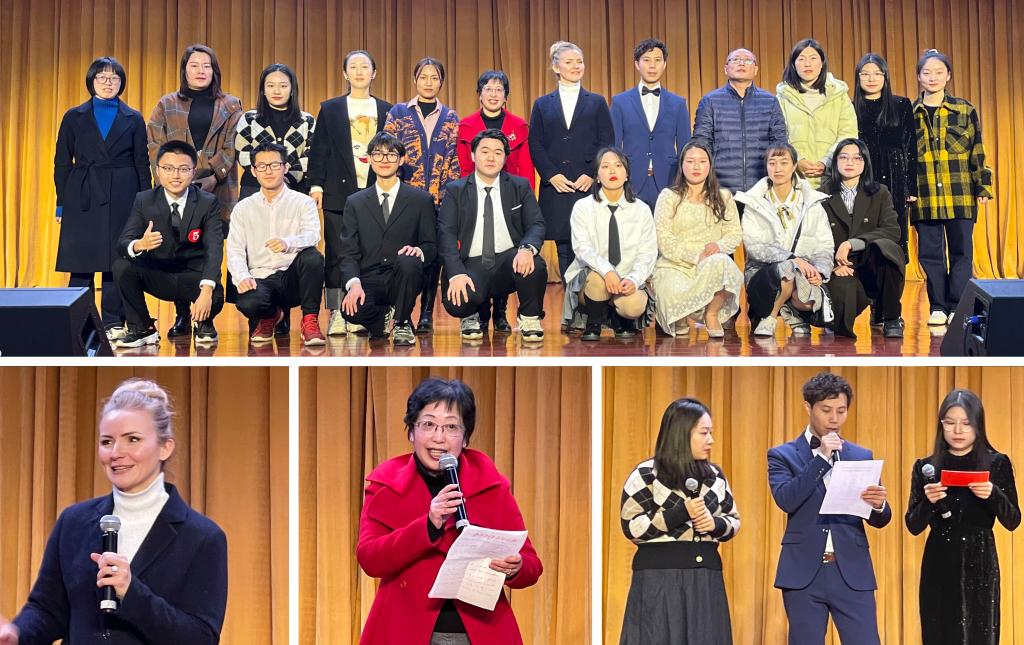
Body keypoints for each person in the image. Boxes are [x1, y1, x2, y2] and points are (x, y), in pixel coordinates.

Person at [0, 379, 227, 645]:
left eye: (133, 439)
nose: (116, 453)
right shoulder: (73, 522)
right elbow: (47, 611)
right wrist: (16, 635)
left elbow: (201, 637)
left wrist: (132, 593)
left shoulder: (202, 537)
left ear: (165, 447)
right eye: (107, 441)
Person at [356, 377, 543, 644]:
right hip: (404, 628)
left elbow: (532, 565)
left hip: (481, 631)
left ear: (465, 438)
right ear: (411, 432)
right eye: (428, 424)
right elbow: (370, 558)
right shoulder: (386, 484)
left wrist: (516, 567)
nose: (439, 438)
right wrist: (427, 525)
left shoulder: (491, 484)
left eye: (451, 427)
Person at [768, 372, 890, 645]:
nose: (834, 418)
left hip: (851, 570)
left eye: (841, 411)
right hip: (803, 572)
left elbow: (881, 519)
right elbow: (786, 499)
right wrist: (821, 458)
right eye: (826, 410)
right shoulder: (782, 455)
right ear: (808, 407)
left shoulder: (860, 455)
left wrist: (879, 505)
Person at [619, 397, 740, 645]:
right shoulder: (646, 474)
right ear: (681, 435)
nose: (710, 440)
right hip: (658, 580)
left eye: (711, 432)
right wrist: (680, 512)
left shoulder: (714, 476)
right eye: (704, 433)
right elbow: (631, 526)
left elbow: (733, 519)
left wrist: (715, 524)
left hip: (705, 580)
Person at [905, 388, 1020, 645]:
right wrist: (928, 502)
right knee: (939, 631)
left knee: (979, 633)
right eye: (950, 423)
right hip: (939, 559)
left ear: (978, 425)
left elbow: (1013, 520)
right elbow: (913, 525)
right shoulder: (927, 467)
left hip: (980, 560)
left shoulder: (997, 463)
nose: (958, 430)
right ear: (941, 425)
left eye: (966, 423)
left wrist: (993, 494)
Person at [148, 44, 242, 339]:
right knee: (179, 250)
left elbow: (233, 146)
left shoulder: (230, 105)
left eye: (206, 66)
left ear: (215, 71)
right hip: (175, 188)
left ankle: (206, 317)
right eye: (194, 65)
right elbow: (155, 146)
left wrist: (213, 175)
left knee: (210, 251)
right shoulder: (166, 104)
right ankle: (182, 314)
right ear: (184, 70)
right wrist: (177, 177)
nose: (201, 71)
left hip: (218, 189)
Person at [54, 56, 152, 340]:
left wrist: (145, 204)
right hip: (82, 192)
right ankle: (78, 322)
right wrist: (61, 203)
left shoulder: (133, 118)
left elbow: (142, 163)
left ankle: (112, 322)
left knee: (116, 260)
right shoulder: (73, 116)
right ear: (91, 81)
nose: (108, 83)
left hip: (123, 191)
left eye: (114, 78)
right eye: (102, 77)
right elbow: (62, 162)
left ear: (121, 83)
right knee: (81, 260)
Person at [308, 50, 392, 336]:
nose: (359, 71)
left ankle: (363, 309)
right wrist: (316, 185)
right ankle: (336, 311)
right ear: (345, 73)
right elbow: (319, 149)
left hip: (375, 191)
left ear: (374, 73)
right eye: (353, 67)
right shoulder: (331, 108)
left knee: (372, 252)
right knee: (336, 252)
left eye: (364, 67)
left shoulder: (387, 110)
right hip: (337, 192)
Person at [112, 141, 225, 349]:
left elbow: (214, 249)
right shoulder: (144, 199)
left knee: (216, 294)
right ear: (158, 171)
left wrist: (207, 291)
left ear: (193, 172)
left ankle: (204, 322)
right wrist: (139, 244)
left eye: (183, 169)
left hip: (193, 276)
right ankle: (142, 328)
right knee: (122, 266)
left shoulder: (207, 202)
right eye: (168, 168)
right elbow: (123, 243)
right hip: (160, 275)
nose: (175, 175)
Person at [439, 129, 547, 344]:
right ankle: (470, 316)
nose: (491, 158)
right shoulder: (455, 190)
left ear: (505, 158)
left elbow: (536, 224)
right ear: (473, 155)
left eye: (498, 153)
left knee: (535, 264)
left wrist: (527, 249)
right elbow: (446, 234)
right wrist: (456, 273)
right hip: (471, 263)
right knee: (458, 301)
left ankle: (529, 318)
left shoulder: (519, 186)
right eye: (485, 151)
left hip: (508, 261)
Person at [911, 49, 993, 326]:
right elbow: (905, 158)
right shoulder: (908, 114)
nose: (932, 77)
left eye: (938, 72)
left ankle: (958, 305)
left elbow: (977, 149)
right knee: (930, 254)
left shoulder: (965, 110)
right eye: (927, 72)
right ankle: (937, 306)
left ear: (948, 76)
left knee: (962, 252)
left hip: (960, 193)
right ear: (919, 77)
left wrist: (982, 185)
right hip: (924, 195)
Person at [384, 57, 461, 334]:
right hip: (406, 199)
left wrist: (448, 197)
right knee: (405, 254)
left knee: (433, 256)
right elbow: (388, 152)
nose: (429, 83)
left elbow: (453, 159)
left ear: (441, 82)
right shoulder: (398, 113)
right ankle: (401, 311)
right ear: (415, 80)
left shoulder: (450, 117)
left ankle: (426, 312)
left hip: (438, 199)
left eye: (434, 78)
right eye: (424, 77)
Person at [339, 132, 436, 347]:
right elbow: (348, 251)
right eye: (378, 154)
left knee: (409, 261)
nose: (384, 160)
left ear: (401, 160)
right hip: (369, 278)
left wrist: (419, 251)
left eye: (391, 155)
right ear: (369, 159)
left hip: (403, 276)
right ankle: (382, 318)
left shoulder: (421, 200)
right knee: (350, 310)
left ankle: (402, 321)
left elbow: (431, 245)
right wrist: (354, 284)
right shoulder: (355, 202)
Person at [456, 70, 535, 334]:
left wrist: (526, 202)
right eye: (488, 89)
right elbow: (463, 167)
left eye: (499, 89)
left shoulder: (519, 126)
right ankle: (480, 311)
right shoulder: (466, 126)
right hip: (476, 197)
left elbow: (526, 168)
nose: (493, 94)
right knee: (479, 251)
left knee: (505, 250)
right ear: (479, 95)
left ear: (505, 96)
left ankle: (500, 312)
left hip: (510, 200)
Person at [529, 41, 615, 282]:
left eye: (580, 61)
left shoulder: (596, 102)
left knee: (592, 244)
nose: (576, 66)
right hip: (557, 186)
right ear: (556, 67)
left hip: (586, 184)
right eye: (569, 62)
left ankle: (593, 301)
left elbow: (607, 141)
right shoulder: (542, 104)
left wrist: (592, 173)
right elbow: (535, 143)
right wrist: (551, 175)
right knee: (564, 246)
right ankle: (570, 301)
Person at [226, 142, 325, 346]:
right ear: (254, 171)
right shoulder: (243, 208)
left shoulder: (303, 202)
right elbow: (235, 249)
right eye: (261, 166)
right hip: (260, 276)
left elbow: (313, 236)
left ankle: (310, 321)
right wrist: (242, 276)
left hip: (292, 278)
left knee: (313, 257)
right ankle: (271, 315)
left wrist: (288, 242)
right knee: (248, 303)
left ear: (285, 167)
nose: (268, 171)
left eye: (274, 165)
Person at [736, 143, 834, 338]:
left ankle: (794, 314)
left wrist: (820, 272)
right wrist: (791, 259)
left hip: (801, 275)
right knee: (787, 269)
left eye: (784, 162)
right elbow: (754, 247)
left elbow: (825, 245)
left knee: (808, 299)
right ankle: (770, 317)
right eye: (772, 163)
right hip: (763, 275)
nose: (778, 168)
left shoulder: (812, 202)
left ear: (795, 165)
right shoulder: (753, 202)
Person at [563, 147, 657, 341]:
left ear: (627, 174)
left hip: (627, 278)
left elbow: (647, 253)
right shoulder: (583, 207)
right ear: (597, 176)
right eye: (605, 166)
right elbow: (583, 248)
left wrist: (633, 279)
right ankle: (593, 321)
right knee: (598, 280)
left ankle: (617, 316)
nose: (612, 171)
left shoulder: (642, 210)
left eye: (618, 166)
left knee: (633, 306)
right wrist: (608, 272)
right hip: (593, 279)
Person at [652, 141, 743, 338]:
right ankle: (681, 317)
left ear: (710, 165)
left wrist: (718, 245)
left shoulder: (724, 196)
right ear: (682, 165)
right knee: (676, 315)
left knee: (725, 264)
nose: (696, 166)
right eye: (690, 161)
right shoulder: (669, 197)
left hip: (710, 261)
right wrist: (696, 256)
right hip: (675, 264)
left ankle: (712, 314)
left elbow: (734, 233)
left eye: (702, 161)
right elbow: (664, 239)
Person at [819, 138, 906, 339]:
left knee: (887, 250)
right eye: (844, 157)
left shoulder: (880, 192)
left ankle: (890, 317)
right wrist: (831, 265)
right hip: (839, 266)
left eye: (857, 158)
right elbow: (814, 238)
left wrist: (852, 243)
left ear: (865, 162)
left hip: (871, 263)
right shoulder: (821, 195)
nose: (850, 163)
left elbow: (892, 230)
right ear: (835, 162)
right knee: (839, 328)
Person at [691, 48, 788, 208]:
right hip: (721, 190)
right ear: (726, 69)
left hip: (761, 190)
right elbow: (702, 144)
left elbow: (780, 143)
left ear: (756, 70)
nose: (741, 63)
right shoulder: (710, 101)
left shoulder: (770, 101)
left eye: (748, 60)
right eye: (735, 60)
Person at [610, 38, 691, 210]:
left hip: (668, 181)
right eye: (646, 60)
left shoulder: (678, 103)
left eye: (657, 60)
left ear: (664, 64)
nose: (652, 66)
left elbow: (685, 146)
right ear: (637, 64)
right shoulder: (619, 102)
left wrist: (682, 181)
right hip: (631, 180)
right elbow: (613, 146)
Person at [852, 52, 917, 259]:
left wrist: (910, 187)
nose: (871, 79)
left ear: (885, 76)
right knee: (864, 228)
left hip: (894, 175)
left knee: (893, 229)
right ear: (858, 77)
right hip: (863, 175)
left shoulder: (901, 105)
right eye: (865, 74)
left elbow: (910, 146)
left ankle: (894, 272)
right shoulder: (850, 108)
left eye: (877, 73)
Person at [775, 38, 858, 189]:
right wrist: (797, 160)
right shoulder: (783, 97)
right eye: (801, 59)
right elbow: (779, 136)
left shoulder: (839, 95)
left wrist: (826, 162)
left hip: (832, 177)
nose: (807, 64)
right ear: (793, 64)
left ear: (822, 63)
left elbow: (848, 134)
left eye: (813, 58)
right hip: (794, 178)